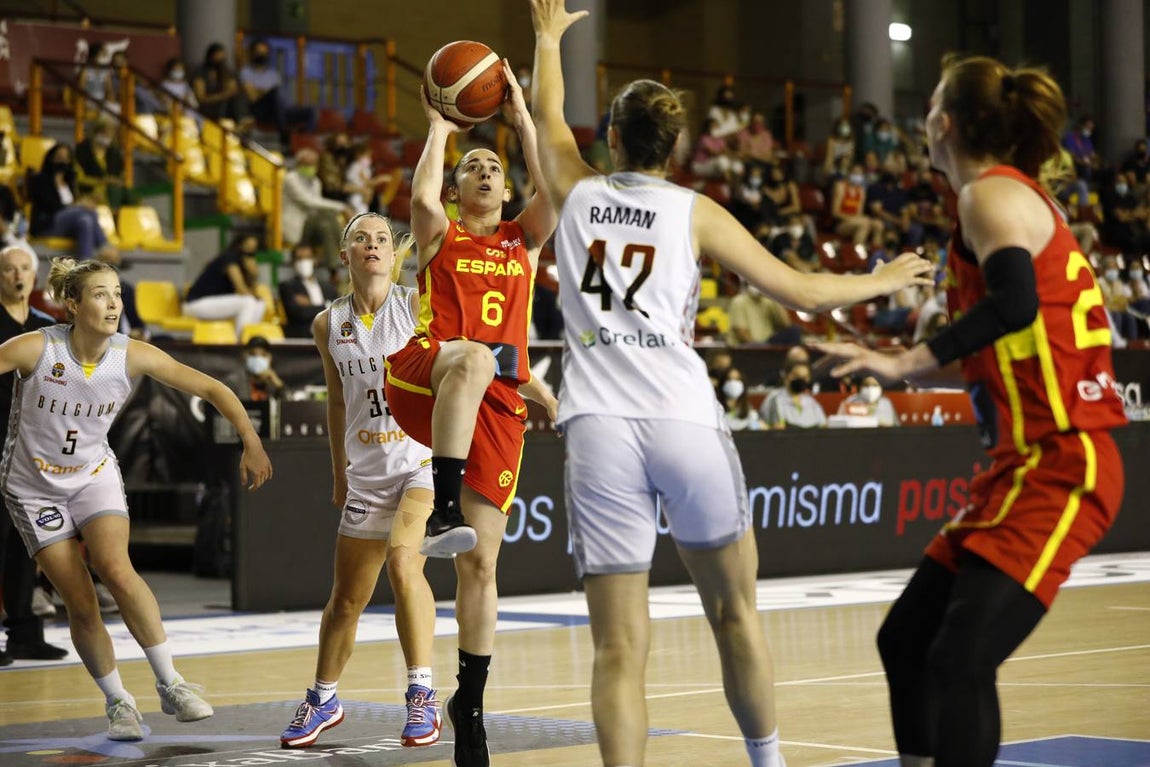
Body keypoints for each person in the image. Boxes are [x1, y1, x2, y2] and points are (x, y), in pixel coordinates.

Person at [527, 3, 933, 766]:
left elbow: (548, 111)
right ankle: (767, 761)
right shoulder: (696, 211)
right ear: (674, 147)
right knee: (735, 611)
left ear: (610, 137)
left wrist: (549, 38)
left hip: (598, 428)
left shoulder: (574, 189)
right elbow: (804, 296)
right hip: (684, 419)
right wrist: (878, 277)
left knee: (618, 646)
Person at [815, 55, 1127, 767]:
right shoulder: (998, 199)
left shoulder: (988, 195)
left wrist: (904, 361)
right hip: (1018, 464)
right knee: (907, 641)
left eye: (928, 105)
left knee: (960, 655)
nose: (922, 117)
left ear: (945, 122)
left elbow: (1015, 302)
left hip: (1064, 457)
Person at [2, 257, 272, 740]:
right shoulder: (33, 349)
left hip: (92, 474)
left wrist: (250, 440)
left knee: (116, 567)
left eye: (117, 294)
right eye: (101, 294)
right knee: (80, 602)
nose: (113, 304)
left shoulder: (131, 354)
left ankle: (172, 684)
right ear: (72, 304)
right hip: (33, 486)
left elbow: (212, 387)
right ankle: (118, 703)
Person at [382, 61, 559, 767]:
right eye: (472, 166)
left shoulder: (523, 238)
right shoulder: (440, 234)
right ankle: (444, 503)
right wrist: (438, 126)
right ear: (458, 187)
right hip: (426, 372)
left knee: (482, 566)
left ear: (507, 187)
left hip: (493, 407)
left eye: (494, 167)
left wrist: (521, 119)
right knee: (480, 357)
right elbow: (422, 191)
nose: (484, 172)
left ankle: (471, 704)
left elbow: (555, 193)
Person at [280, 213, 442, 749]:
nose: (371, 245)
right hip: (364, 473)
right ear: (344, 255)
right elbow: (335, 400)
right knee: (346, 600)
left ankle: (422, 694)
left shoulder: (416, 304)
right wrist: (338, 472)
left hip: (419, 463)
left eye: (381, 239)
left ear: (395, 254)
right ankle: (324, 697)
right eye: (360, 238)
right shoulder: (328, 324)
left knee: (403, 562)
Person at [0, 246, 67, 665]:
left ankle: (25, 632)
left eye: (24, 267)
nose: (17, 275)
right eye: (8, 269)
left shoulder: (47, 327)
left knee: (31, 542)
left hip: (35, 450)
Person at [182, 233, 266, 336]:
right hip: (196, 303)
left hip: (214, 303)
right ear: (239, 245)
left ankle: (251, 338)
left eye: (252, 251)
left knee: (259, 303)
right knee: (248, 302)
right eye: (247, 247)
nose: (248, 254)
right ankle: (241, 342)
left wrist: (253, 275)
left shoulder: (244, 264)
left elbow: (253, 294)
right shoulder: (229, 259)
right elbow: (241, 290)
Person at [278, 243, 337, 338]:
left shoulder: (328, 287)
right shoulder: (287, 286)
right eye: (299, 258)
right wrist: (327, 305)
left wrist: (311, 306)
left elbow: (338, 311)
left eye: (307, 257)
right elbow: (298, 313)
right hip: (303, 338)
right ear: (293, 262)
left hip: (330, 338)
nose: (303, 262)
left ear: (315, 260)